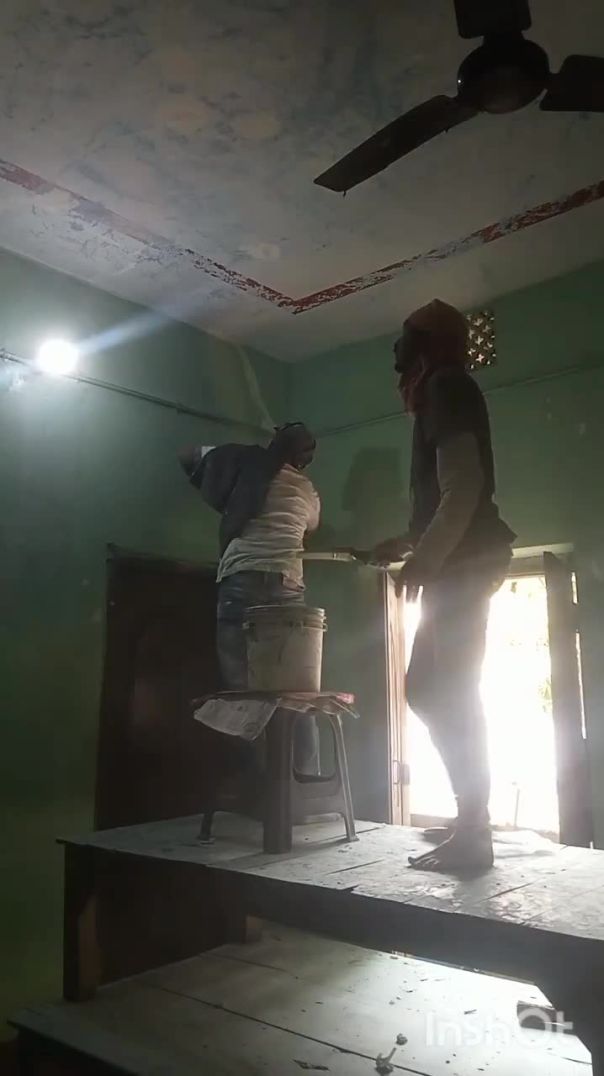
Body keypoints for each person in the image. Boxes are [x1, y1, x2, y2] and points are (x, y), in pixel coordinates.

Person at [373, 300, 515, 872]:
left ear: (427, 343)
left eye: (405, 336)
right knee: (431, 690)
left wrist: (425, 560)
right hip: (461, 559)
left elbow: (464, 487)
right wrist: (407, 543)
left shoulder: (447, 385)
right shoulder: (439, 390)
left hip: (464, 561)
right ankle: (470, 818)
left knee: (446, 690)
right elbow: (450, 495)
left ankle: (474, 830)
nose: (396, 348)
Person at [179, 422, 321, 775]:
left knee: (242, 696)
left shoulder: (244, 464)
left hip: (241, 578)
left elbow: (187, 455)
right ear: (303, 460)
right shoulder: (305, 488)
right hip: (286, 583)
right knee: (297, 693)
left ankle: (255, 784)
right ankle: (304, 782)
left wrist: (228, 487)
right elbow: (311, 527)